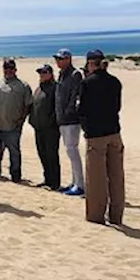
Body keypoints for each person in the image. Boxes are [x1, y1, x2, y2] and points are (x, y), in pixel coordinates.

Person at [78, 50, 125, 224]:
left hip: (96, 134)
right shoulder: (115, 82)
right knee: (116, 176)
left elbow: (82, 110)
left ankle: (96, 216)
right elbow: (117, 106)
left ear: (91, 63)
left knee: (96, 178)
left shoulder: (87, 84)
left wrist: (86, 129)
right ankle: (116, 215)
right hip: (114, 132)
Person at [0, 59, 32, 182]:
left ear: (15, 70)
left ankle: (15, 175)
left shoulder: (23, 86)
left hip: (13, 126)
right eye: (6, 68)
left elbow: (28, 105)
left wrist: (21, 120)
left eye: (10, 68)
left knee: (14, 152)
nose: (8, 70)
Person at [54, 48, 86, 196]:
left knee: (72, 150)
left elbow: (75, 96)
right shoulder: (62, 75)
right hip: (62, 120)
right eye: (57, 59)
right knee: (69, 151)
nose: (58, 61)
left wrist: (68, 112)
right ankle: (75, 182)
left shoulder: (75, 74)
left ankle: (80, 184)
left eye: (60, 59)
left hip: (71, 120)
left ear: (68, 59)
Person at [30, 64, 62, 190]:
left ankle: (54, 182)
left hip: (50, 129)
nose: (42, 75)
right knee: (42, 153)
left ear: (50, 74)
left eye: (44, 72)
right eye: (40, 73)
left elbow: (57, 108)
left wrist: (51, 122)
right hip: (38, 127)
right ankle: (47, 179)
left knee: (51, 154)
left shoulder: (55, 88)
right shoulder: (39, 88)